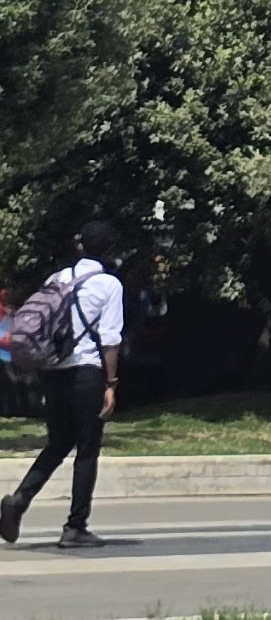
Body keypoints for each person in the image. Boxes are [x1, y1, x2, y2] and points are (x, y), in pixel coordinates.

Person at [0, 218, 125, 550]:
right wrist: (111, 384)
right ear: (109, 250)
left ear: (80, 245)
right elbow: (111, 339)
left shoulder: (57, 278)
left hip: (53, 373)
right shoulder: (109, 285)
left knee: (57, 444)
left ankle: (19, 500)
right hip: (87, 373)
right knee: (87, 448)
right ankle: (75, 527)